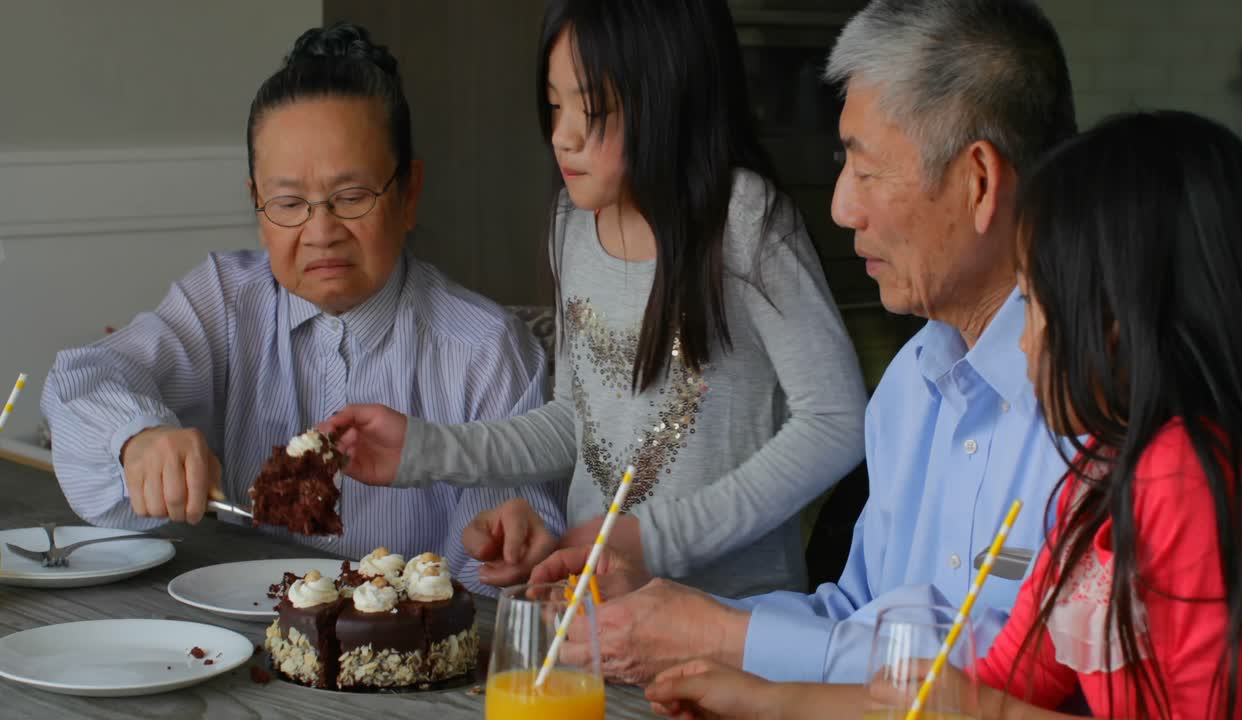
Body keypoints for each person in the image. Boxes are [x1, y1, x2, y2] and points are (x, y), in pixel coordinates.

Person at [646, 110, 1242, 720]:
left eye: (1035, 300)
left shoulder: (1185, 477)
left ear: (1118, 324)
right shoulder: (1099, 481)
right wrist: (766, 702)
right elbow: (993, 680)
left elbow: (985, 702)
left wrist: (987, 710)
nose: (1024, 340)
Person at [527, 0, 1078, 685]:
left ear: (979, 181)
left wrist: (722, 634)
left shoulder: (1098, 406)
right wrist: (687, 629)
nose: (842, 207)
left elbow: (1027, 668)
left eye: (867, 172)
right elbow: (854, 614)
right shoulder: (911, 386)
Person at [319, 0, 868, 599]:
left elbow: (837, 423)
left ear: (672, 93)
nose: (563, 135)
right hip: (592, 616)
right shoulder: (571, 224)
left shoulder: (743, 219)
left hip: (727, 625)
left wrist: (652, 538)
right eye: (555, 106)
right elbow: (578, 422)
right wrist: (424, 448)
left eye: (594, 108)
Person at [40, 23, 567, 594]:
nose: (320, 232)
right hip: (228, 629)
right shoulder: (221, 300)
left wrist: (505, 547)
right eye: (288, 202)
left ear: (409, 193)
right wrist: (134, 438)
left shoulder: (485, 349)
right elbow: (79, 380)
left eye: (351, 197)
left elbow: (508, 545)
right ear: (256, 204)